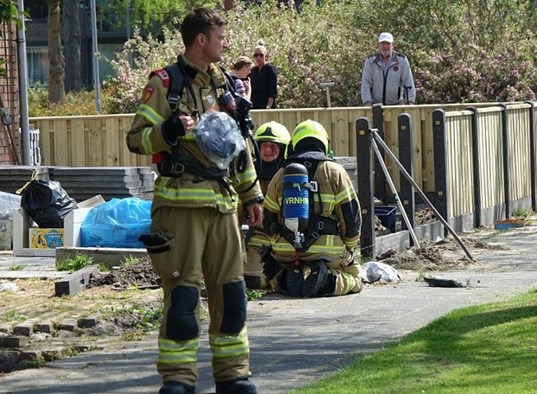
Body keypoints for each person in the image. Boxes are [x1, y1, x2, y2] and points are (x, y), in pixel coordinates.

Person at [125, 8, 261, 394]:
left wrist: (251, 195)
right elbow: (136, 139)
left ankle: (233, 376)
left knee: (231, 295)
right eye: (219, 37)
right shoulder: (165, 82)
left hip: (222, 206)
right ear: (200, 39)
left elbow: (239, 147)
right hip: (179, 206)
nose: (224, 43)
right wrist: (167, 130)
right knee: (183, 297)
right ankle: (179, 380)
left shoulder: (227, 86)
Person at [261, 120, 363, 298]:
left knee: (273, 276)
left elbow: (268, 217)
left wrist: (278, 244)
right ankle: (328, 282)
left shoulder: (280, 174)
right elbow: (351, 218)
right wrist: (349, 247)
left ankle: (284, 278)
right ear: (325, 144)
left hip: (287, 250)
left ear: (293, 145)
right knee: (355, 276)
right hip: (326, 251)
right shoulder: (335, 172)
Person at [243, 121, 291, 289]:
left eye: (273, 146)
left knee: (290, 281)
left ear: (283, 149)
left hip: (288, 239)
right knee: (254, 282)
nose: (268, 151)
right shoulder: (248, 175)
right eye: (264, 146)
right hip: (260, 238)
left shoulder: (291, 175)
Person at [361, 32, 416, 106]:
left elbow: (408, 82)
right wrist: (367, 102)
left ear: (392, 45)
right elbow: (366, 83)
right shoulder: (370, 61)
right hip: (375, 106)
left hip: (397, 105)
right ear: (378, 45)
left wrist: (410, 102)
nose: (385, 46)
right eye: (382, 43)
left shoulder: (402, 60)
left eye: (388, 43)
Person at [250, 41, 278, 109]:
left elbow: (272, 91)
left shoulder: (269, 69)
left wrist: (268, 108)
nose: (258, 57)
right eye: (256, 55)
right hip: (254, 105)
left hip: (265, 105)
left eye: (261, 55)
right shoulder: (253, 70)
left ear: (266, 55)